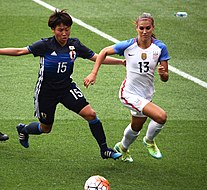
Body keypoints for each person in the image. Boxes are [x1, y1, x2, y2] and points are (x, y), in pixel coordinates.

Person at [0, 10, 124, 160]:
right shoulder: (45, 45)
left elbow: (96, 57)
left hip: (66, 88)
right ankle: (24, 130)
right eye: (60, 30)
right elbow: (20, 51)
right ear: (53, 30)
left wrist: (121, 62)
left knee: (91, 114)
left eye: (67, 29)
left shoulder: (75, 45)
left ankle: (105, 149)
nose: (64, 33)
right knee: (45, 128)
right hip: (46, 92)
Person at [84, 13, 170, 162]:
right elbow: (104, 52)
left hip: (146, 94)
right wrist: (93, 73)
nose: (144, 31)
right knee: (161, 117)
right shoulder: (128, 45)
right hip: (128, 93)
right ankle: (149, 141)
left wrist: (163, 73)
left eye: (147, 28)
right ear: (136, 28)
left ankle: (122, 148)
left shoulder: (160, 48)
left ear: (153, 28)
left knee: (136, 127)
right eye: (141, 28)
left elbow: (165, 78)